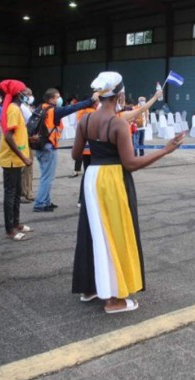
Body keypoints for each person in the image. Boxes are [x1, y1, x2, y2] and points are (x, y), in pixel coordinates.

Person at [71, 71, 185, 314]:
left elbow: (75, 155)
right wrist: (165, 150)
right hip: (113, 181)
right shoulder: (118, 124)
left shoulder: (85, 121)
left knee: (92, 231)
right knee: (116, 235)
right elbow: (130, 163)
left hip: (91, 178)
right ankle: (113, 299)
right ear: (120, 94)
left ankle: (90, 287)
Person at [33, 88, 99, 212]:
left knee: (45, 175)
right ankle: (40, 203)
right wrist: (91, 100)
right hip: (48, 146)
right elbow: (73, 108)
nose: (59, 99)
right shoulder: (54, 111)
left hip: (40, 145)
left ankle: (46, 201)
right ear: (52, 99)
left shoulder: (41, 108)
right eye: (57, 97)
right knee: (47, 177)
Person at [0, 79, 34, 241]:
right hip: (12, 159)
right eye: (25, 91)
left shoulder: (17, 108)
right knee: (10, 193)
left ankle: (16, 223)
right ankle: (9, 229)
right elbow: (9, 136)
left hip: (17, 159)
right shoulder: (13, 109)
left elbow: (17, 134)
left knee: (17, 192)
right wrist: (23, 157)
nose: (28, 94)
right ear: (18, 94)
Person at [19, 87, 35, 203]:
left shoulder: (21, 107)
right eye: (28, 94)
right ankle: (28, 192)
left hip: (22, 140)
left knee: (22, 168)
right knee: (28, 168)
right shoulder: (23, 108)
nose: (30, 96)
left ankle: (22, 190)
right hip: (27, 139)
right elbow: (32, 121)